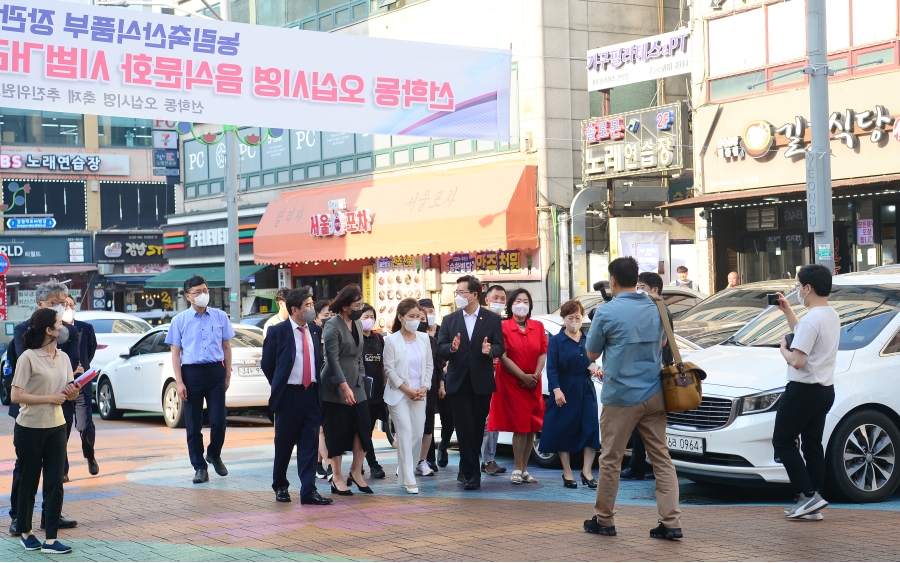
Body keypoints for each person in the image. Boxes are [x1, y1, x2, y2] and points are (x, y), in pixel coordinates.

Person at [584, 257, 683, 541]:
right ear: (635, 277)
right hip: (654, 393)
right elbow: (664, 343)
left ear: (612, 280)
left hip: (620, 397)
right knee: (662, 459)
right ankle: (671, 521)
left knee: (611, 459)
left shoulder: (605, 312)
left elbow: (591, 354)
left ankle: (604, 519)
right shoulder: (656, 306)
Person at [7, 280, 80, 535]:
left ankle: (51, 518)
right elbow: (25, 367)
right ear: (40, 305)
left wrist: (73, 387)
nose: (62, 307)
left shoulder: (67, 330)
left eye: (65, 301)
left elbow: (72, 362)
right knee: (25, 469)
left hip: (58, 411)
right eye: (55, 303)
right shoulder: (24, 332)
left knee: (55, 469)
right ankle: (18, 517)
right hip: (30, 411)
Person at [773, 264, 839, 521]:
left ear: (808, 288)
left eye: (799, 287)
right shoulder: (830, 314)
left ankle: (809, 494)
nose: (798, 292)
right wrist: (788, 312)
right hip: (824, 390)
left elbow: (798, 360)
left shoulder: (812, 319)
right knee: (812, 446)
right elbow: (803, 333)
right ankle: (814, 503)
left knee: (782, 442)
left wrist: (783, 350)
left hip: (802, 390)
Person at [261, 287, 332, 506]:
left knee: (309, 445)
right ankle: (281, 486)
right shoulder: (277, 331)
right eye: (308, 306)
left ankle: (308, 491)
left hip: (311, 394)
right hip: (288, 396)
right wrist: (280, 384)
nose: (312, 309)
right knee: (284, 444)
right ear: (295, 310)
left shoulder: (314, 330)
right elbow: (267, 364)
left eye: (312, 304)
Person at [166, 275, 235, 484]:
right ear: (188, 296)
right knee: (194, 425)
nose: (203, 295)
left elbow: (227, 347)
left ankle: (214, 453)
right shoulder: (179, 321)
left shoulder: (221, 316)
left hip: (215, 372)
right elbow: (176, 353)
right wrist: (179, 381)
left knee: (219, 420)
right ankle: (199, 467)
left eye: (205, 290)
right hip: (191, 373)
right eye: (198, 292)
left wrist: (227, 374)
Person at [437, 275, 504, 491]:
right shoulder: (449, 320)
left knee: (476, 428)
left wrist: (489, 350)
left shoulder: (492, 319)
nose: (458, 296)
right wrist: (452, 349)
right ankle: (473, 474)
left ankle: (466, 467)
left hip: (482, 380)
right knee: (463, 427)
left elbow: (500, 347)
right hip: (458, 380)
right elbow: (440, 348)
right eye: (456, 293)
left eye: (461, 292)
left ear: (475, 295)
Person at [488, 289, 547, 484]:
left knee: (531, 425)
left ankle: (524, 469)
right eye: (518, 301)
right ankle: (516, 468)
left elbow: (542, 352)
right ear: (511, 304)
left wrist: (535, 375)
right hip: (512, 381)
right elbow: (502, 355)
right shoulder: (503, 326)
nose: (522, 304)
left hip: (533, 382)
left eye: (525, 301)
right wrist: (522, 375)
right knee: (521, 425)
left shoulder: (537, 326)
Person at [541, 300, 600, 489]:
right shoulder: (557, 340)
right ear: (564, 319)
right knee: (564, 429)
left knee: (591, 428)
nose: (575, 321)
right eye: (570, 317)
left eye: (578, 317)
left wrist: (595, 368)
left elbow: (590, 361)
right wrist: (556, 390)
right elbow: (551, 368)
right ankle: (567, 472)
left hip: (585, 387)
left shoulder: (587, 338)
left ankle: (587, 471)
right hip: (565, 387)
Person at [321, 284, 374, 496]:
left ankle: (356, 472)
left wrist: (361, 377)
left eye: (361, 304)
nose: (360, 308)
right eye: (357, 304)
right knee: (337, 429)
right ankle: (337, 477)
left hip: (356, 381)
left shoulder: (358, 324)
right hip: (335, 383)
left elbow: (358, 355)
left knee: (364, 427)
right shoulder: (332, 325)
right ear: (345, 306)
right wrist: (343, 386)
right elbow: (331, 359)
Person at [621, 272, 672, 481]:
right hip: (649, 371)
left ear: (654, 290)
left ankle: (639, 465)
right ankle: (640, 464)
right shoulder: (650, 307)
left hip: (655, 370)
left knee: (646, 423)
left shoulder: (658, 308)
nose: (638, 290)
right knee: (643, 423)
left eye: (642, 286)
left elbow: (662, 342)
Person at [383, 299, 434, 494]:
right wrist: (406, 389)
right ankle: (409, 478)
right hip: (398, 394)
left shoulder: (424, 339)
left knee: (417, 434)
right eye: (411, 317)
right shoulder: (392, 340)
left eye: (418, 317)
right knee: (404, 433)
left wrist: (425, 387)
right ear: (401, 318)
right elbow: (390, 370)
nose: (415, 320)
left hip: (419, 394)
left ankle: (406, 471)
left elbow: (428, 366)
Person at [64, 295, 99, 477]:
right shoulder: (53, 331)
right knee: (62, 428)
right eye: (65, 305)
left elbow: (90, 351)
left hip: (80, 385)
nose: (68, 307)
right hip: (60, 387)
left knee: (85, 425)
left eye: (71, 304)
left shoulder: (85, 328)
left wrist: (80, 367)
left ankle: (90, 456)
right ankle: (63, 469)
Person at [421, 298, 453, 468]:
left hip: (445, 380)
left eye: (431, 310)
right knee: (429, 420)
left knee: (449, 418)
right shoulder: (418, 333)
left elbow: (452, 350)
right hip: (427, 382)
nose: (429, 314)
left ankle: (444, 446)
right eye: (425, 311)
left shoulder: (443, 330)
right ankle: (430, 458)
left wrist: (449, 366)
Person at [481, 284, 508, 476]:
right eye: (495, 298)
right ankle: (486, 460)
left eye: (502, 298)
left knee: (495, 418)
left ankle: (490, 458)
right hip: (484, 376)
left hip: (503, 376)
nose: (499, 301)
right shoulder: (481, 322)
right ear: (486, 300)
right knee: (487, 419)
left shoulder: (506, 323)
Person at [360, 304, 387, 479]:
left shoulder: (378, 339)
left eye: (371, 316)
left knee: (368, 430)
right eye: (365, 317)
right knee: (364, 429)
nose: (369, 320)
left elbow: (384, 365)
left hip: (378, 391)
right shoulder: (354, 338)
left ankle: (360, 461)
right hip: (361, 393)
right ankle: (372, 464)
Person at [416, 312, 443, 475]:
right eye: (414, 317)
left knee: (428, 425)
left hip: (429, 388)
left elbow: (437, 366)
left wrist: (441, 385)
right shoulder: (399, 340)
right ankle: (407, 460)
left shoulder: (431, 341)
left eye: (422, 318)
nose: (419, 322)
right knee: (410, 427)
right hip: (409, 388)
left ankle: (422, 460)